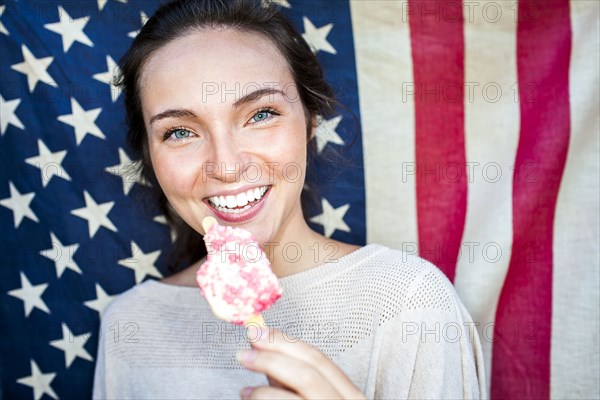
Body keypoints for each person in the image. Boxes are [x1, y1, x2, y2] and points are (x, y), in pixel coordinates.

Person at [92, 0, 486, 398]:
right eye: (179, 132)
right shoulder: (129, 325)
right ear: (150, 157)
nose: (226, 166)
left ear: (311, 122)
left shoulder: (409, 301)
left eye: (261, 114)